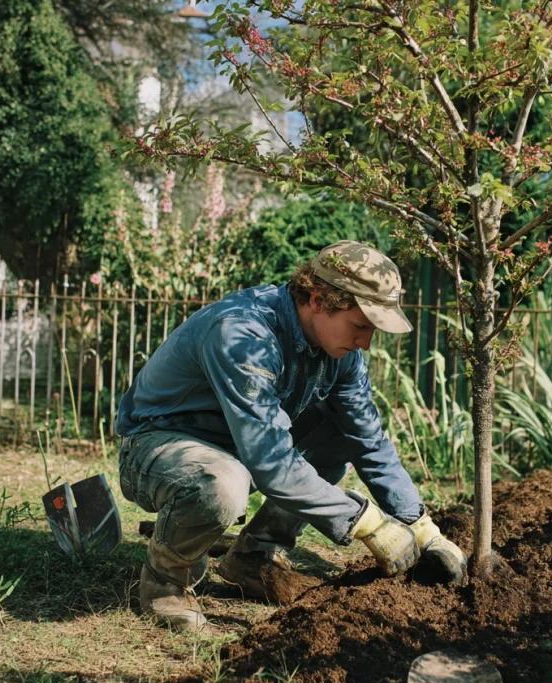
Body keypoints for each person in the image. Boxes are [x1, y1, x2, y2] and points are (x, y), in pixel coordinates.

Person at [115, 240, 466, 632]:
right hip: (160, 446)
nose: (365, 342)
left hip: (236, 447)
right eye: (360, 325)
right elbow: (271, 463)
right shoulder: (243, 335)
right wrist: (366, 523)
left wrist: (421, 528)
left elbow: (368, 439)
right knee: (223, 483)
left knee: (339, 431)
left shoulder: (342, 354)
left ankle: (255, 555)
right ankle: (167, 582)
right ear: (318, 299)